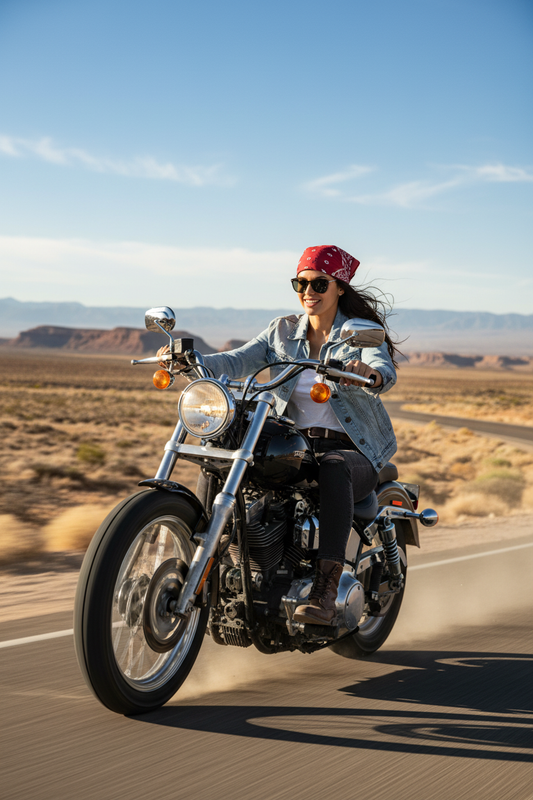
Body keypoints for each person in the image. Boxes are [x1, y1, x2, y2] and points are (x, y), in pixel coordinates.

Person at [160, 245, 400, 625]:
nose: (308, 291)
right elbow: (237, 360)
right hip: (295, 445)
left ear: (340, 287)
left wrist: (367, 373)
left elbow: (381, 367)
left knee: (333, 467)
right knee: (219, 454)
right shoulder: (282, 331)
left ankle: (324, 591)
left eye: (319, 283)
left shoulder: (356, 336)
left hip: (351, 450)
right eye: (300, 283)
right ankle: (207, 563)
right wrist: (190, 359)